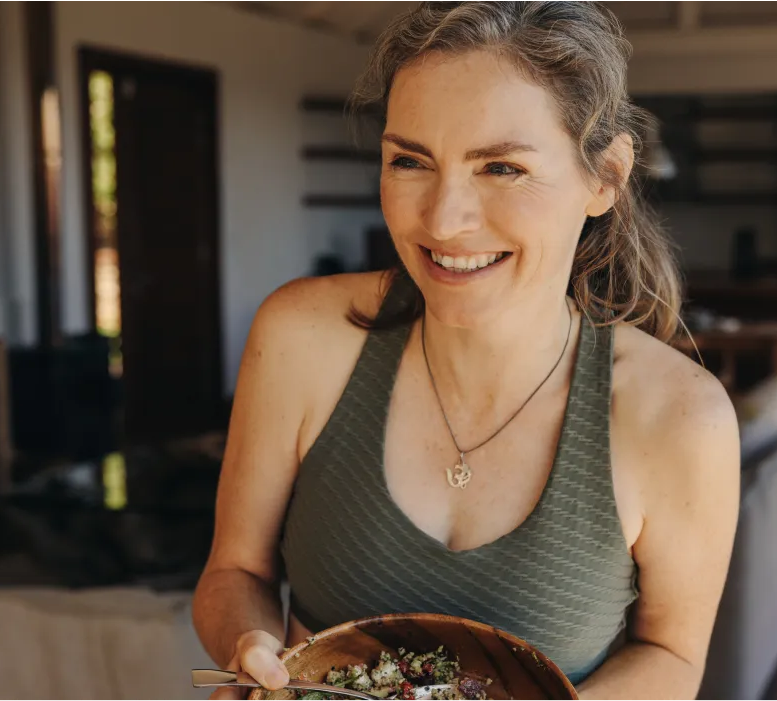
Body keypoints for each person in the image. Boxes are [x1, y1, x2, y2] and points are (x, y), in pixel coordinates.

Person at [192, 1, 740, 698]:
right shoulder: (298, 336)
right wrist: (253, 647)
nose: (444, 221)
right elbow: (233, 573)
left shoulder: (683, 418)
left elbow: (672, 656)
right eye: (410, 160)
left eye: (502, 168)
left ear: (604, 177)